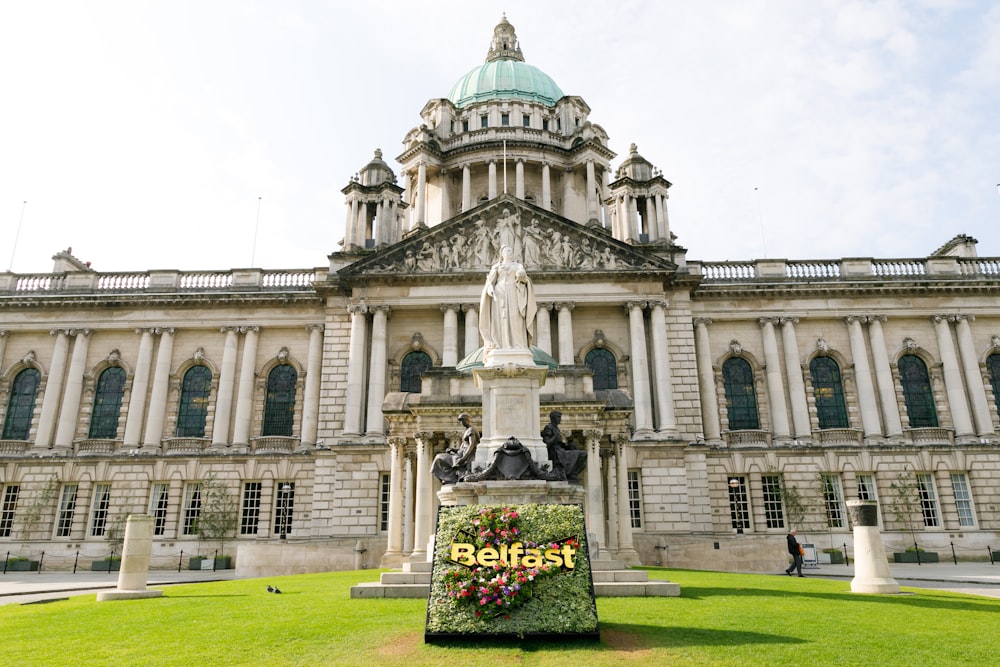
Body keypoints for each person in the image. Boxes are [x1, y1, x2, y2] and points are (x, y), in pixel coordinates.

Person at [479, 244, 537, 351]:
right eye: (507, 251)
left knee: (516, 318)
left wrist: (523, 278)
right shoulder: (496, 267)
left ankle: (519, 345)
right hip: (500, 293)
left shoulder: (518, 266)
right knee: (500, 319)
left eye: (511, 251)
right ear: (502, 254)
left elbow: (524, 280)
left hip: (514, 292)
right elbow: (490, 282)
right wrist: (489, 289)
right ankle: (499, 344)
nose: (510, 252)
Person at [431, 413, 479, 484]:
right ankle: (450, 478)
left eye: (463, 420)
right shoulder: (467, 431)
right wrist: (453, 450)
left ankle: (451, 477)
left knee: (439, 458)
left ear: (468, 420)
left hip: (466, 456)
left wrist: (464, 458)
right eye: (460, 421)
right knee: (438, 459)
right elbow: (464, 447)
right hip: (460, 454)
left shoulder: (471, 430)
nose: (461, 422)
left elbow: (471, 445)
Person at [541, 410, 587, 482]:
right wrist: (555, 437)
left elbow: (559, 443)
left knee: (583, 454)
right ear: (553, 418)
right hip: (555, 453)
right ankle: (570, 473)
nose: (560, 419)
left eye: (560, 417)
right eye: (558, 417)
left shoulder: (557, 428)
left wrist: (568, 446)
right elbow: (546, 443)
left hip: (560, 451)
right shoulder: (549, 427)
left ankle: (572, 474)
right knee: (582, 454)